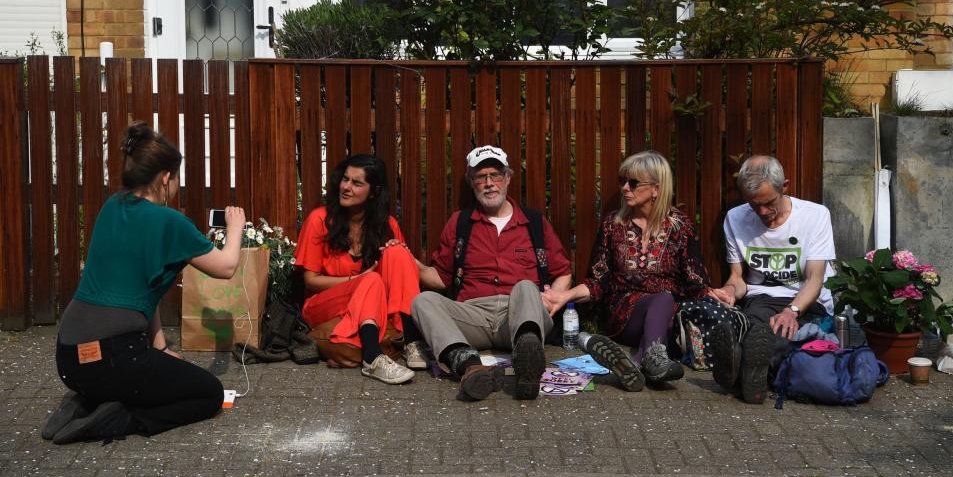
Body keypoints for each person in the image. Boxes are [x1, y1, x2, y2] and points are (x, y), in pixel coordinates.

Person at [45, 122, 246, 445]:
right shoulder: (170, 222)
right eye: (177, 179)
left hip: (69, 359)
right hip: (115, 358)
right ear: (165, 178)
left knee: (139, 375)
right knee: (209, 394)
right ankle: (119, 418)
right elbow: (226, 267)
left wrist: (162, 348)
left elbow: (143, 288)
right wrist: (235, 226)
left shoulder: (112, 207)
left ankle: (86, 401)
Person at [412, 145, 572, 401]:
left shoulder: (534, 222)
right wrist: (407, 261)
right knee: (423, 301)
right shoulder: (460, 222)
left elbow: (562, 271)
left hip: (520, 313)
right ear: (471, 183)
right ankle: (469, 368)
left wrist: (554, 298)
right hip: (474, 314)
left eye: (495, 175)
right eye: (480, 177)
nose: (489, 183)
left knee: (525, 286)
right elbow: (440, 278)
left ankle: (526, 359)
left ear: (508, 178)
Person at [544, 151, 712, 388]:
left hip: (669, 316)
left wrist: (716, 296)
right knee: (662, 298)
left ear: (656, 188)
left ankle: (637, 362)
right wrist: (565, 295)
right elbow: (597, 281)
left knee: (666, 302)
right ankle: (653, 360)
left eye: (633, 183)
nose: (625, 188)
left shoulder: (680, 226)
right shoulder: (613, 225)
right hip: (625, 313)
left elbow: (695, 280)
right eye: (622, 181)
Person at [709, 155, 836, 404]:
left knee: (781, 332)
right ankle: (752, 377)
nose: (762, 212)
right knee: (757, 330)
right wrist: (729, 291)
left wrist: (792, 311)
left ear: (784, 186)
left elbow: (815, 279)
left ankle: (741, 374)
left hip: (806, 302)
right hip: (762, 299)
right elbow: (738, 278)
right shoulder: (735, 218)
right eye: (754, 205)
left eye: (768, 203)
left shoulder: (816, 215)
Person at [295, 154, 422, 385]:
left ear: (373, 192)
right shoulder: (319, 219)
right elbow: (310, 281)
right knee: (370, 280)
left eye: (356, 183)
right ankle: (373, 357)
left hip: (370, 304)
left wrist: (393, 254)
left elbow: (404, 275)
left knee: (398, 252)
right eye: (345, 179)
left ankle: (411, 340)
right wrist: (358, 278)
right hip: (322, 304)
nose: (346, 187)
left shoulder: (388, 224)